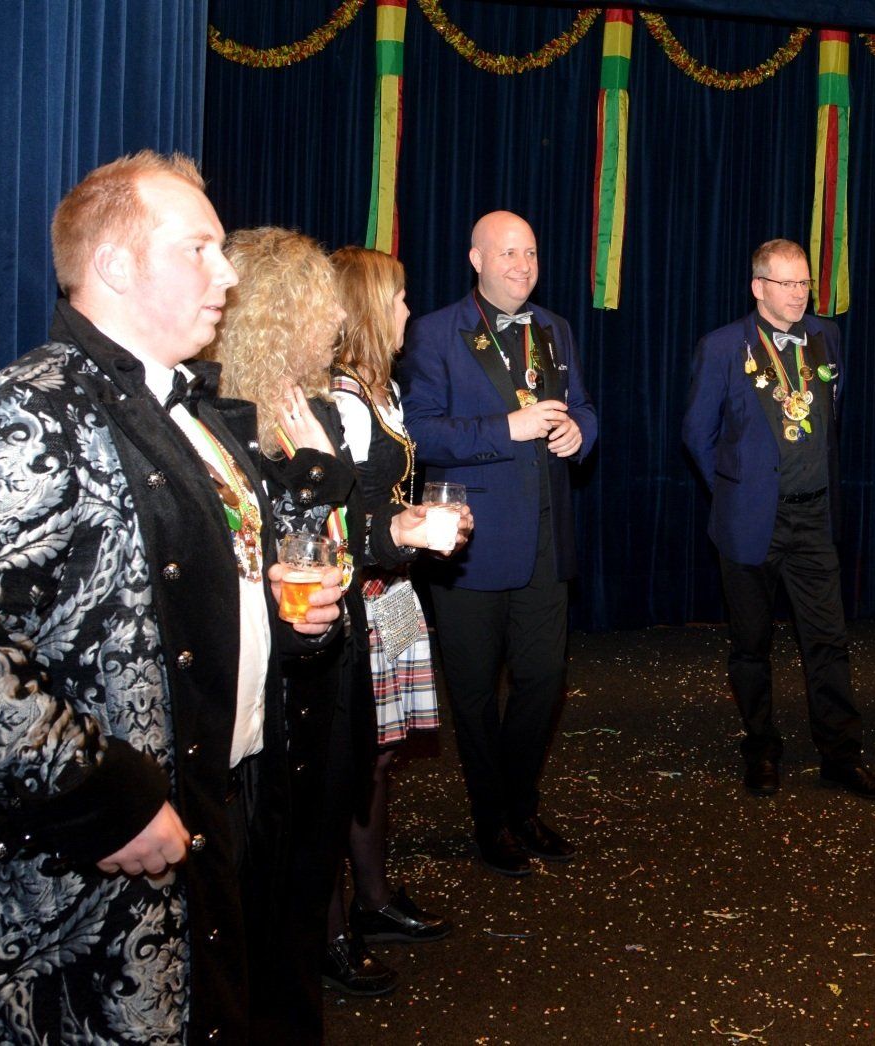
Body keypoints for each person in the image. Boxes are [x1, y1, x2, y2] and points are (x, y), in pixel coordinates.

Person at [0, 152, 347, 1043]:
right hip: (87, 875)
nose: (227, 275)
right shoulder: (22, 413)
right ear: (114, 265)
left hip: (223, 810)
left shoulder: (195, 413)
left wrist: (288, 620)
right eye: (199, 249)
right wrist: (101, 799)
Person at [209, 228, 461, 1015]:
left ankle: (352, 915)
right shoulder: (237, 415)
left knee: (353, 779)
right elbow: (287, 541)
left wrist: (397, 530)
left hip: (350, 625)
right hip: (290, 658)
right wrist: (373, 517)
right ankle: (324, 939)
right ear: (281, 315)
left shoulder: (313, 402)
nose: (335, 321)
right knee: (301, 814)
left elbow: (344, 528)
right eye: (321, 307)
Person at [405, 211, 597, 876]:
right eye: (509, 253)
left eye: (531, 253)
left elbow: (583, 405)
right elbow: (419, 432)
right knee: (475, 693)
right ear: (476, 259)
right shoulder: (435, 332)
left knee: (544, 682)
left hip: (547, 539)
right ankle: (492, 817)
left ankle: (520, 803)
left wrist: (581, 433)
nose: (523, 265)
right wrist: (505, 428)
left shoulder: (555, 328)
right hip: (470, 543)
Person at [683, 239, 875, 801]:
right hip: (751, 521)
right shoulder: (722, 346)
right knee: (751, 645)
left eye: (804, 283)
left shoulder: (827, 336)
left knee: (829, 640)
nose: (799, 294)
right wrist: (737, 493)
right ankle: (761, 747)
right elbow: (697, 434)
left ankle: (841, 756)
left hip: (815, 517)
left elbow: (832, 413)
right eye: (787, 284)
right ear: (759, 287)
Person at [326, 247, 453, 975]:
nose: (409, 310)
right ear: (371, 309)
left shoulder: (383, 391)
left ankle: (373, 900)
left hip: (394, 595)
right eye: (400, 298)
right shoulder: (341, 402)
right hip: (359, 601)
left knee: (379, 754)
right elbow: (329, 519)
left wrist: (422, 525)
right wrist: (400, 529)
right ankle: (328, 929)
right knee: (343, 760)